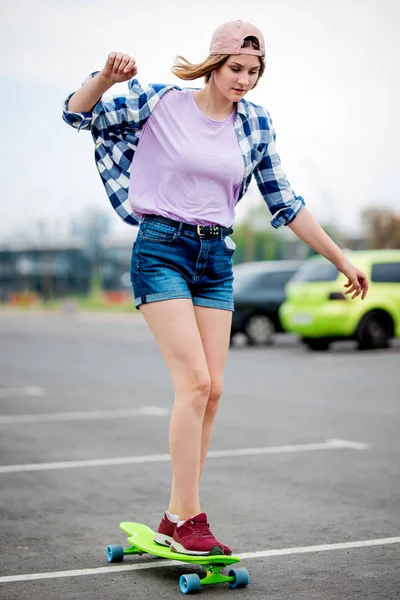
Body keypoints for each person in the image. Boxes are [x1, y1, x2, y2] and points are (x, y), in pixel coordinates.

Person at [62, 20, 368, 557]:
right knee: (195, 384)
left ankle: (175, 515)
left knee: (214, 391)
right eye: (236, 69)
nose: (245, 81)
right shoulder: (162, 103)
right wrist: (105, 80)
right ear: (214, 62)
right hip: (161, 249)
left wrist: (343, 259)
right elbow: (75, 112)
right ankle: (191, 517)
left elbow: (285, 202)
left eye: (254, 72)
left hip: (216, 257)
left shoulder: (254, 124)